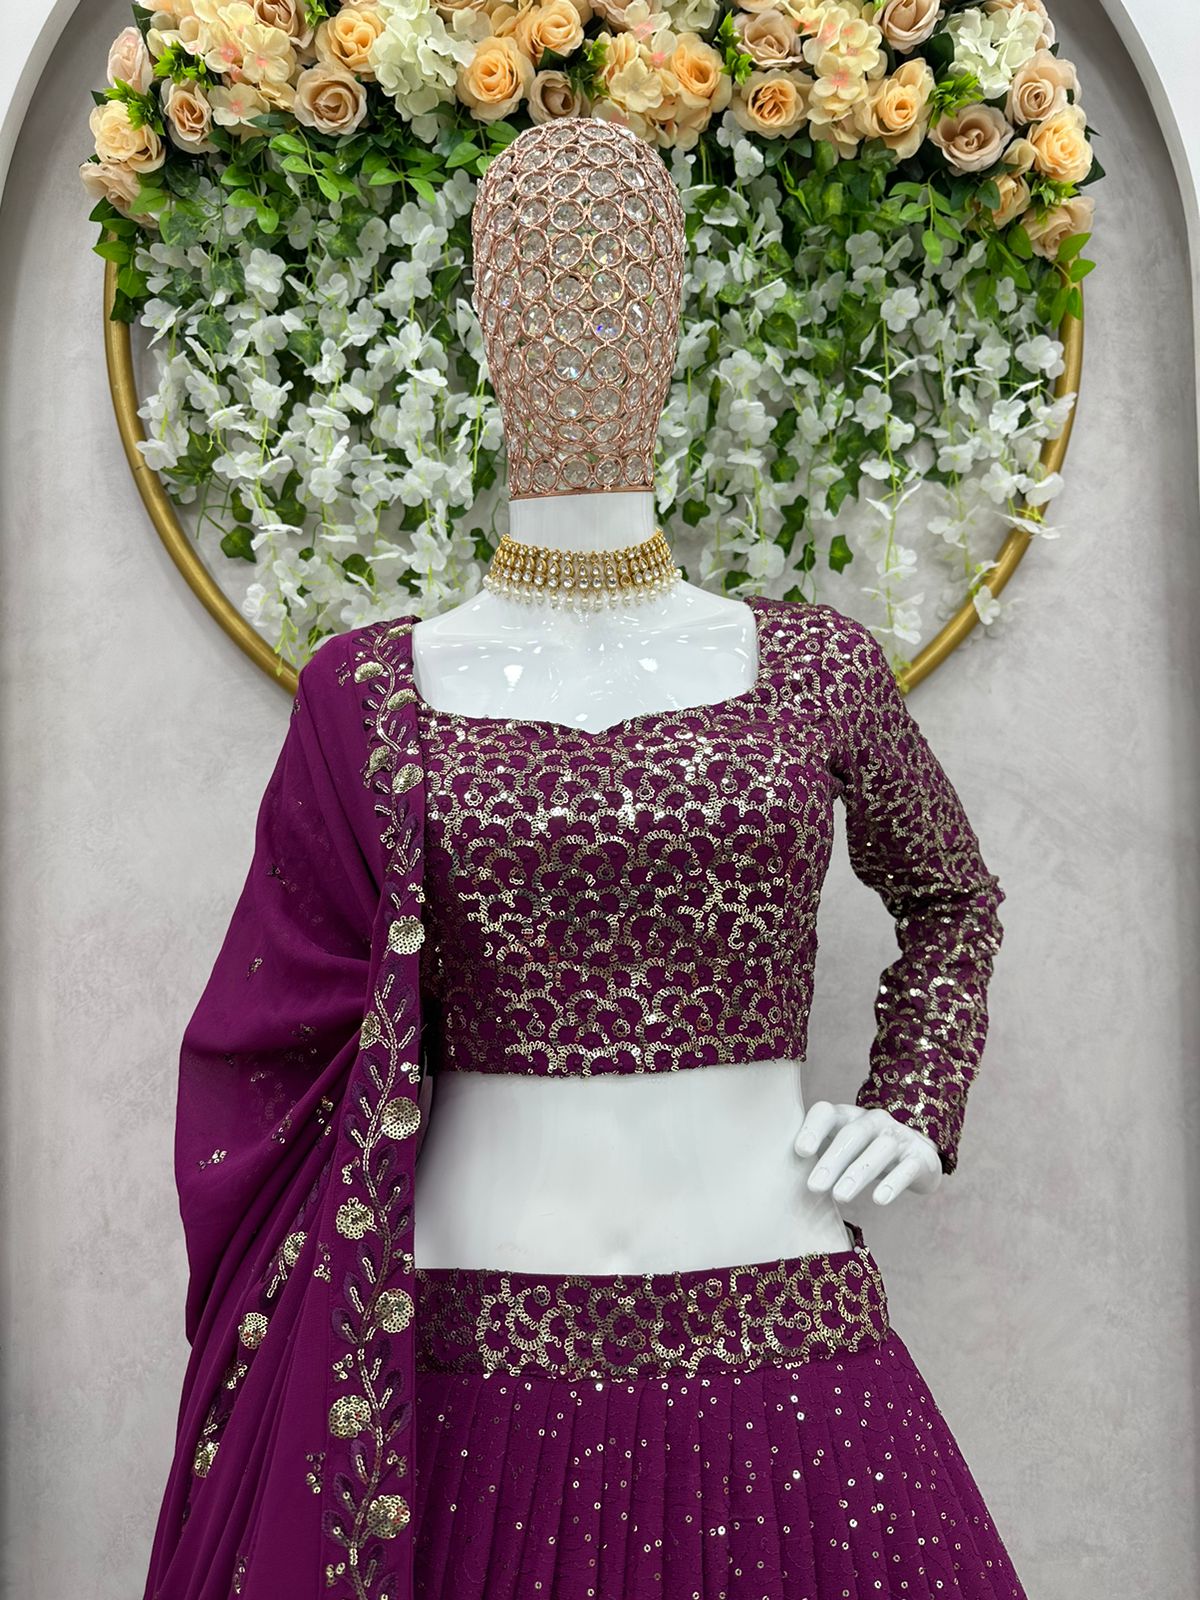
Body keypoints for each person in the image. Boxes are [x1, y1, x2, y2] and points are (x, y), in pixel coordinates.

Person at [144, 117, 1025, 1600]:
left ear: (671, 316)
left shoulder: (815, 667)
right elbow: (274, 1034)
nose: (580, 321)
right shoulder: (367, 693)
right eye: (539, 281)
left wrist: (917, 1102)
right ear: (485, 325)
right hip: (461, 1356)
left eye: (616, 276)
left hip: (780, 1311)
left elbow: (952, 896)